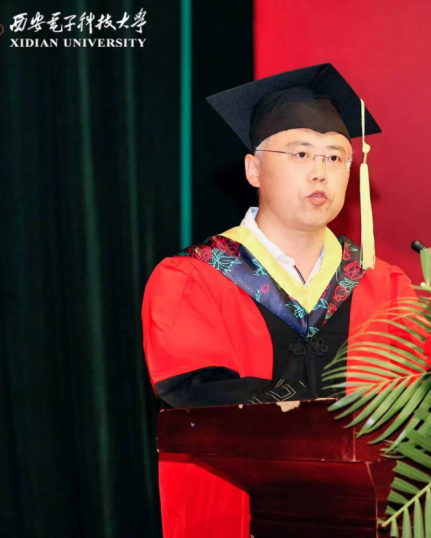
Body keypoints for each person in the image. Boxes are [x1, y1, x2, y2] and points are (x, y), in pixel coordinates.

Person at [141, 63, 416, 537]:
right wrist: (319, 421)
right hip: (245, 513)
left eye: (335, 157)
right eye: (301, 153)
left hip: (370, 518)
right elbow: (198, 392)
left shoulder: (383, 284)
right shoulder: (195, 278)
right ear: (254, 169)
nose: (320, 171)